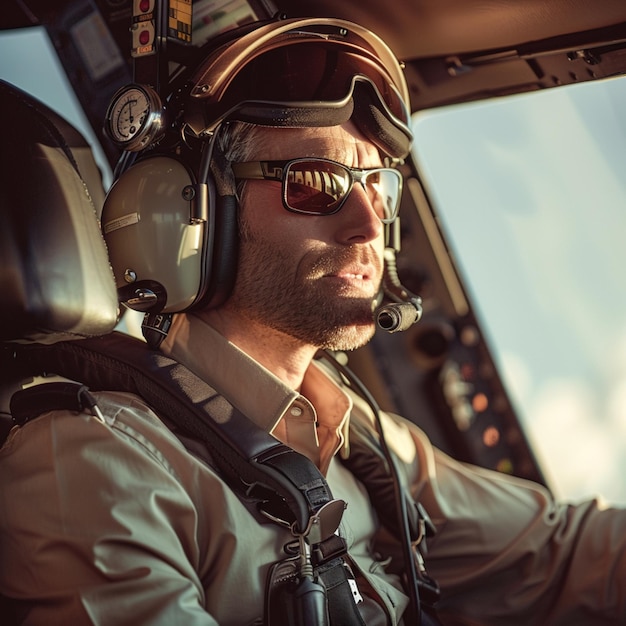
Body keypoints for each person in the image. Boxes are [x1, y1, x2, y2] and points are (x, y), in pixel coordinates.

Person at [1, 15, 625, 626]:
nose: (370, 224)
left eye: (377, 187)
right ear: (194, 213)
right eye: (317, 182)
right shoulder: (94, 463)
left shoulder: (371, 445)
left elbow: (566, 556)